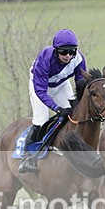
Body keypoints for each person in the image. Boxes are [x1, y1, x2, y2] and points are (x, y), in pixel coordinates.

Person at [19, 28, 87, 173]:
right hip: (41, 86)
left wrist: (78, 103)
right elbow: (41, 91)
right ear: (56, 50)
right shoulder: (46, 58)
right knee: (42, 118)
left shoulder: (79, 59)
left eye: (71, 51)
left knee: (74, 115)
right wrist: (57, 108)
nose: (68, 56)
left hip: (61, 84)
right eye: (63, 52)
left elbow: (81, 83)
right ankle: (27, 156)